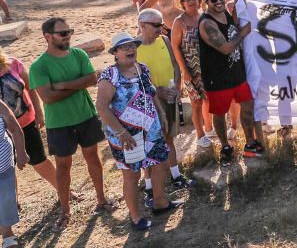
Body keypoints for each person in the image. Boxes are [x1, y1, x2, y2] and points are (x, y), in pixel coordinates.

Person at [29, 18, 113, 232]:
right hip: (59, 123)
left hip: (85, 115)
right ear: (47, 37)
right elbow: (47, 97)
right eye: (62, 33)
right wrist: (79, 83)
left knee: (92, 157)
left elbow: (92, 78)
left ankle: (101, 200)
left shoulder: (79, 54)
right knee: (63, 166)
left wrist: (63, 85)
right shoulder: (39, 66)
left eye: (69, 31)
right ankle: (65, 211)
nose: (68, 36)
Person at [96, 33, 178, 231]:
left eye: (132, 46)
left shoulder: (142, 69)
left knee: (159, 164)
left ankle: (160, 202)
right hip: (127, 135)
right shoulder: (110, 76)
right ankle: (135, 217)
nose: (130, 49)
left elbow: (150, 94)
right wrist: (121, 132)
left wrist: (161, 114)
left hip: (151, 129)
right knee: (132, 175)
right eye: (124, 47)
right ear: (115, 53)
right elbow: (102, 107)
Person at [0, 48, 80, 204]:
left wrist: (38, 111)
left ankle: (64, 191)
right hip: (2, 129)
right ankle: (12, 205)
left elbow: (31, 87)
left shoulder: (14, 64)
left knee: (39, 160)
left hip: (25, 122)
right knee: (6, 169)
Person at [198, 0, 262, 162]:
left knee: (248, 108)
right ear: (206, 1)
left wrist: (239, 5)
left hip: (237, 73)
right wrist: (243, 33)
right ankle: (225, 145)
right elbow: (225, 48)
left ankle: (250, 143)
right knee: (219, 114)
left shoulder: (224, 12)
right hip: (217, 78)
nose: (218, 2)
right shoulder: (206, 23)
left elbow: (232, 25)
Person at [136, 8, 193, 195]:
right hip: (149, 103)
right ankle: (149, 186)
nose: (161, 28)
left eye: (161, 24)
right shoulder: (132, 48)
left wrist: (177, 86)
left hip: (169, 96)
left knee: (169, 136)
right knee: (148, 143)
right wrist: (158, 91)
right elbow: (135, 79)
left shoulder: (165, 40)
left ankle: (176, 176)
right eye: (156, 25)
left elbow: (175, 64)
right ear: (142, 25)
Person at [170, 0, 211, 148]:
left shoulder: (205, 17)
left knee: (209, 99)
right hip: (191, 67)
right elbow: (175, 47)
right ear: (183, 3)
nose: (192, 1)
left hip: (208, 67)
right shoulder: (179, 22)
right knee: (196, 102)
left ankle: (209, 128)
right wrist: (185, 71)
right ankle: (200, 134)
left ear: (200, 0)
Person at [0, 98, 27, 248]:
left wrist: (22, 153)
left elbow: (15, 129)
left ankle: (7, 234)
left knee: (5, 199)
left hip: (3, 164)